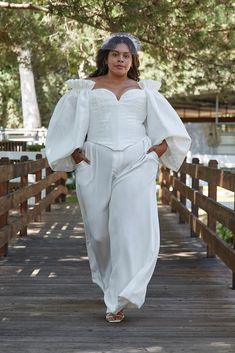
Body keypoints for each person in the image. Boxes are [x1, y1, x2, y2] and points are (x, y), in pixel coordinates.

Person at [46, 32, 191, 323]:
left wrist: (156, 151)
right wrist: (74, 153)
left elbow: (169, 128)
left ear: (132, 60)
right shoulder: (85, 89)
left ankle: (118, 299)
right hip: (95, 160)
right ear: (106, 57)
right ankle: (109, 284)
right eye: (115, 54)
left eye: (126, 55)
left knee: (126, 229)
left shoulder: (145, 90)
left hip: (136, 161)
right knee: (99, 232)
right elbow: (63, 123)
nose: (121, 59)